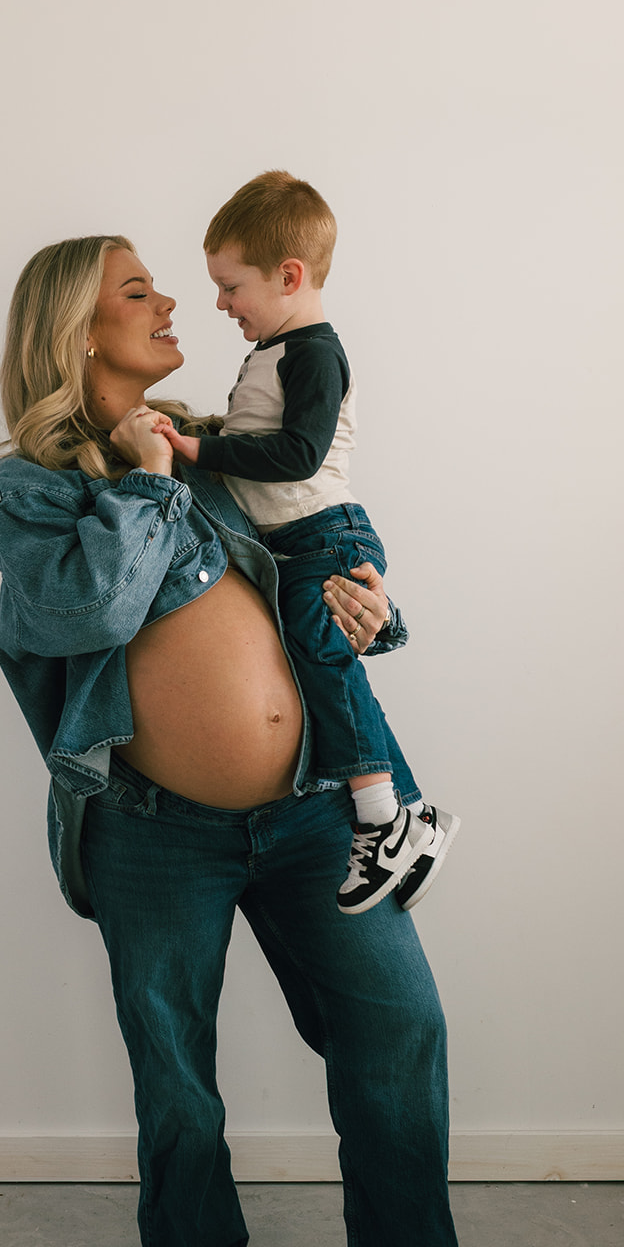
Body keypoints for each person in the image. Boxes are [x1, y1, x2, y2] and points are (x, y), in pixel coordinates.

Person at [0, 233, 500, 1247]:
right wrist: (137, 480)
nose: (171, 299)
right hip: (153, 829)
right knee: (174, 1067)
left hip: (317, 809)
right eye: (136, 290)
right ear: (77, 328)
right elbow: (85, 614)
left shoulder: (213, 445)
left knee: (396, 1027)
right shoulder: (33, 485)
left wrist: (370, 607)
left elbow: (308, 550)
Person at [160, 170, 457, 915]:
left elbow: (295, 456)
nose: (220, 304)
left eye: (231, 287)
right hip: (296, 540)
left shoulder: (313, 354)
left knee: (322, 658)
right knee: (313, 657)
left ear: (288, 276)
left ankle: (385, 816)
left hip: (325, 534)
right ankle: (402, 814)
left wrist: (199, 451)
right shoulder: (274, 350)